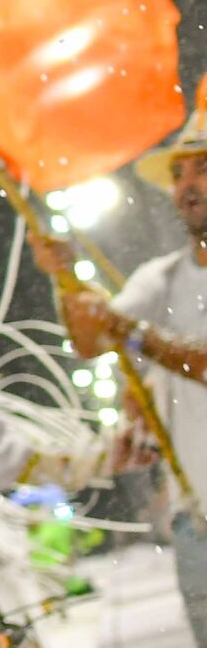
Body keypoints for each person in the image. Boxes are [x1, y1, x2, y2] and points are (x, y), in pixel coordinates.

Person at [36, 79, 207, 511]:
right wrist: (64, 276)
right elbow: (90, 341)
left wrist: (132, 333)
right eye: (178, 174)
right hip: (196, 515)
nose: (187, 186)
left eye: (203, 168)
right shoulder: (161, 277)